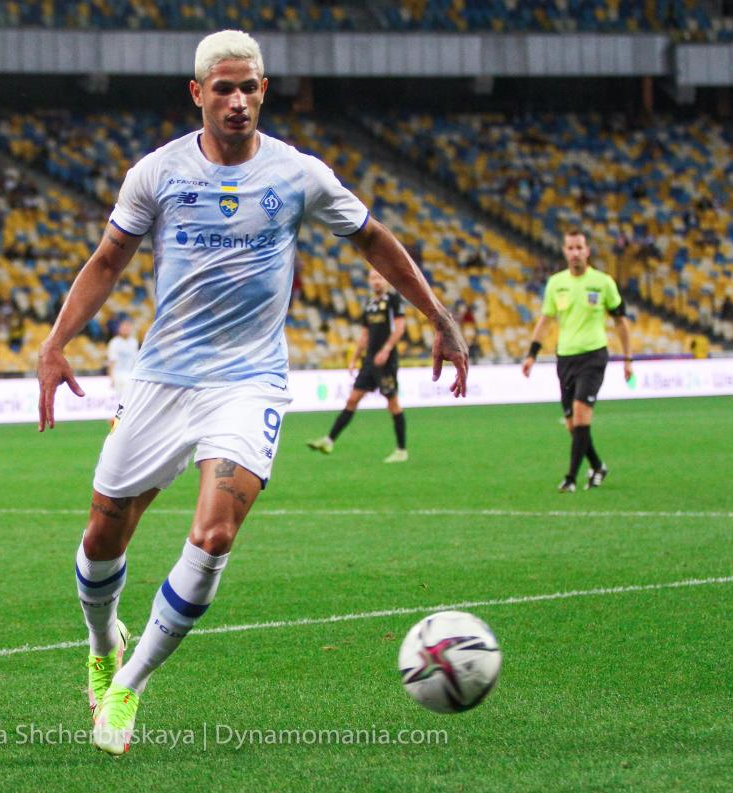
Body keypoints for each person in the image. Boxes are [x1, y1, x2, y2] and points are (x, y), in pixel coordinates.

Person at [36, 29, 468, 756]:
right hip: (162, 379)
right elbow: (108, 260)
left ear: (264, 91)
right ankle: (103, 643)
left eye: (249, 88)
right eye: (223, 88)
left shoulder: (298, 174)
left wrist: (439, 315)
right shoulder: (157, 173)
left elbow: (373, 238)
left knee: (214, 535)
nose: (237, 101)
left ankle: (129, 686)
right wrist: (55, 343)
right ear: (197, 93)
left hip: (249, 382)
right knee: (102, 535)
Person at [521, 229, 632, 493]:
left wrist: (628, 358)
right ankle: (598, 466)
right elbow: (546, 320)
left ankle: (570, 478)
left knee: (581, 414)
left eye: (579, 247)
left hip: (593, 355)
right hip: (565, 357)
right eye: (570, 248)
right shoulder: (555, 283)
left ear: (587, 251)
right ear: (564, 251)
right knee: (572, 423)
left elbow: (620, 321)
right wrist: (532, 354)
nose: (575, 253)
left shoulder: (603, 282)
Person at [307, 269, 410, 462]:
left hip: (386, 361)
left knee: (393, 403)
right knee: (352, 400)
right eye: (373, 278)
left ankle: (401, 450)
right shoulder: (369, 304)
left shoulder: (393, 300)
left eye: (380, 277)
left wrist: (386, 350)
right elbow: (365, 335)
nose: (376, 281)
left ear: (386, 281)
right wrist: (355, 357)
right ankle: (329, 440)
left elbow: (400, 328)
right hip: (369, 361)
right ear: (369, 281)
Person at [106, 317, 139, 402]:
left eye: (128, 326)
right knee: (120, 399)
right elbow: (111, 361)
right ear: (119, 328)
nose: (126, 329)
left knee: (130, 399)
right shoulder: (114, 342)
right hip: (118, 374)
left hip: (129, 374)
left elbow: (135, 360)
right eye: (124, 326)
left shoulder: (134, 342)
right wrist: (111, 377)